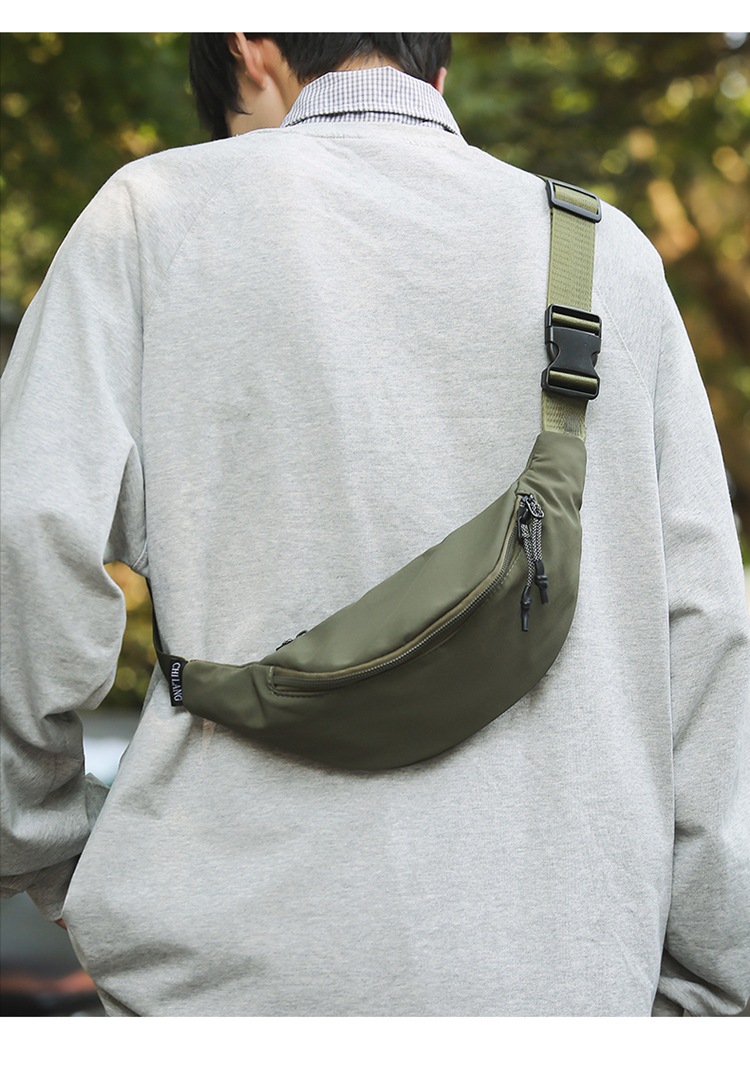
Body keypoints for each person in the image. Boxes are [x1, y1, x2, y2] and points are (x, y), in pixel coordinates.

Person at [1, 32, 748, 1018]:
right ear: (436, 70)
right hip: (563, 979)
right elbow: (705, 631)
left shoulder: (152, 215)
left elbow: (26, 540)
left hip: (225, 980)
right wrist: (712, 988)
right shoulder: (611, 256)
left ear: (249, 46)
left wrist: (41, 842)